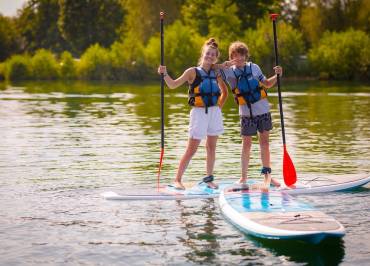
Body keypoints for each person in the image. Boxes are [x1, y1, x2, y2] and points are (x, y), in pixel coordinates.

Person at [157, 38, 228, 190]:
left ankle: (209, 179)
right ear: (203, 53)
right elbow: (173, 84)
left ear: (216, 57)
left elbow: (225, 92)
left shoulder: (216, 73)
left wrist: (218, 108)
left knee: (211, 148)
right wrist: (164, 74)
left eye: (213, 55)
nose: (210, 56)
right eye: (208, 53)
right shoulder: (192, 72)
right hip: (199, 113)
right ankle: (177, 179)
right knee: (192, 149)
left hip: (214, 113)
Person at [220, 41, 282, 189]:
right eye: (235, 56)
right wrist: (224, 65)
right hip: (246, 114)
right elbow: (211, 69)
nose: (239, 59)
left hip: (263, 111)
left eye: (241, 55)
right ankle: (243, 177)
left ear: (246, 56)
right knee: (246, 144)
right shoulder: (228, 71)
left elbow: (266, 83)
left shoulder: (254, 67)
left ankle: (268, 176)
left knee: (265, 144)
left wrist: (277, 75)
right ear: (231, 57)